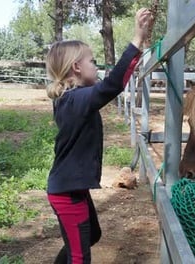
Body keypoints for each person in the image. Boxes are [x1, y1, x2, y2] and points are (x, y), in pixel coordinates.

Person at [44, 8, 153, 264]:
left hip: (73, 188)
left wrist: (138, 51)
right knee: (80, 258)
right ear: (77, 68)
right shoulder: (75, 100)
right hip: (68, 194)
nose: (97, 66)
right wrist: (136, 39)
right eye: (92, 61)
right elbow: (112, 85)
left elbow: (113, 84)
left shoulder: (73, 100)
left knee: (91, 234)